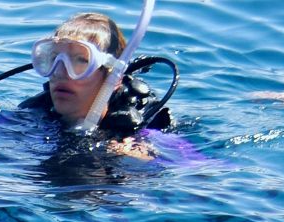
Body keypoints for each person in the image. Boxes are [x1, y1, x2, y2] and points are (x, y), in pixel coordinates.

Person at [16, 12, 174, 143]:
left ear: (114, 77)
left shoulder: (141, 133)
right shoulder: (32, 115)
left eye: (81, 61)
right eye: (54, 58)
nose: (60, 73)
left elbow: (185, 161)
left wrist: (143, 158)